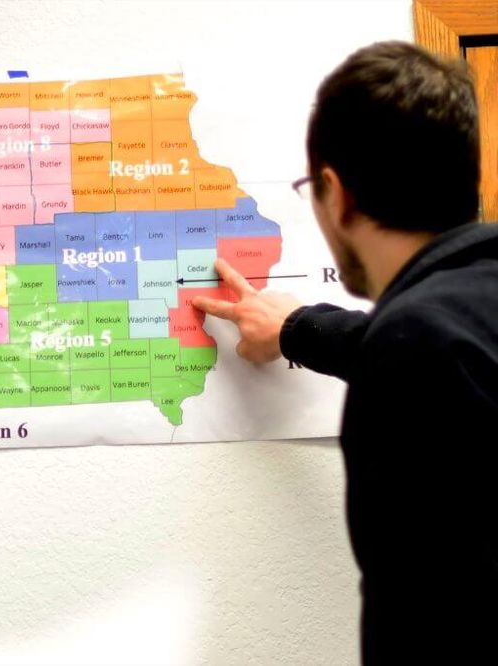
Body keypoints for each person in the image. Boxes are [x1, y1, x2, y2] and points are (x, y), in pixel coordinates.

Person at [194, 41, 498, 662]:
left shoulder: (416, 344)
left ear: (337, 193)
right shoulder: (454, 320)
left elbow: (434, 613)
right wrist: (297, 327)